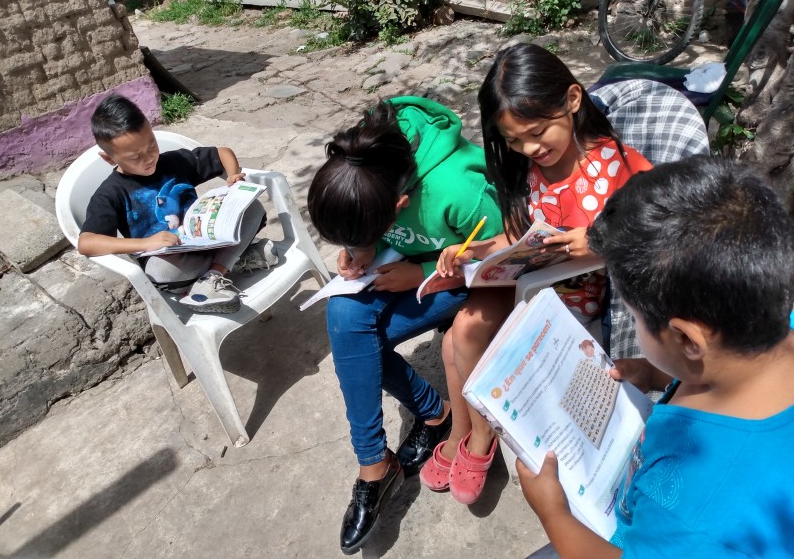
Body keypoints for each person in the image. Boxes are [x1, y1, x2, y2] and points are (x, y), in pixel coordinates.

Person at [519, 155, 794, 558]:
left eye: (634, 316)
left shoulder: (693, 517)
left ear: (686, 338)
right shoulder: (769, 318)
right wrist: (657, 374)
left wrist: (553, 512)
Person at [419, 44, 653, 505]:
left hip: (580, 303)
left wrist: (602, 238)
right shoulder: (530, 168)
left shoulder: (614, 165)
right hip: (535, 285)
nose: (529, 149)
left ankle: (474, 442)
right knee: (454, 341)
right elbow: (518, 234)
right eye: (513, 141)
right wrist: (471, 253)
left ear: (572, 99)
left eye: (537, 132)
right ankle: (466, 439)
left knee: (458, 338)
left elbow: (660, 220)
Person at [306, 97, 502, 555]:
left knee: (359, 347)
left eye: (369, 230)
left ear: (401, 204)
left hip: (461, 278)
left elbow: (503, 261)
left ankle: (432, 417)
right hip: (407, 268)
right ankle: (376, 460)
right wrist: (359, 252)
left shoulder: (457, 191)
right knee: (342, 313)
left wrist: (425, 274)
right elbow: (367, 237)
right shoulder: (360, 160)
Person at [78, 94, 277, 314]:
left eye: (152, 146)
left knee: (253, 208)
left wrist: (233, 176)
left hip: (208, 240)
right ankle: (234, 260)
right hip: (173, 262)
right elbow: (87, 243)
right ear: (110, 159)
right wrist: (145, 244)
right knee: (161, 271)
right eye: (135, 157)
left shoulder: (173, 163)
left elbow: (222, 153)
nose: (149, 159)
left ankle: (212, 277)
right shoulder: (110, 193)